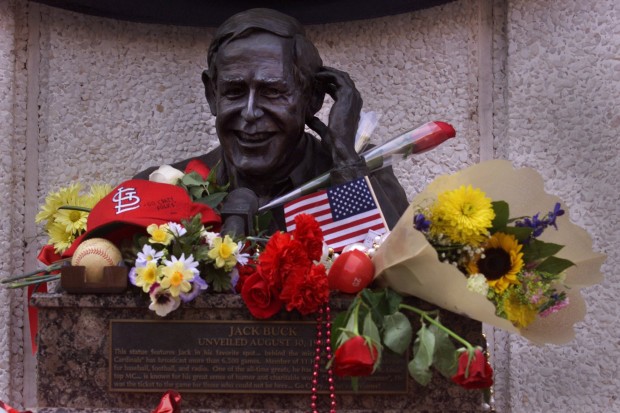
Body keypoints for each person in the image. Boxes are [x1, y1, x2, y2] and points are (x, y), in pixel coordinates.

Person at [135, 8, 409, 235]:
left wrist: (344, 160)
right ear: (212, 94)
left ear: (312, 99)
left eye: (273, 92)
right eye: (234, 91)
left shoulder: (368, 176)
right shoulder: (159, 189)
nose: (250, 112)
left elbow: (398, 276)